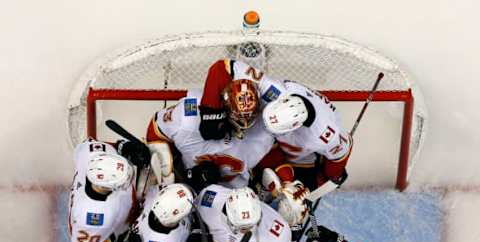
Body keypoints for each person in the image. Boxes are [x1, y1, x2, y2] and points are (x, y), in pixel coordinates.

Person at [145, 88, 275, 190]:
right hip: (187, 184)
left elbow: (273, 157)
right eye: (239, 117)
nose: (245, 123)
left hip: (235, 195)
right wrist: (167, 173)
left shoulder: (266, 125)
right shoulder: (188, 114)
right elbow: (156, 129)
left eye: (250, 116)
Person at [260, 80, 353, 190]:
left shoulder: (325, 135)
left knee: (294, 203)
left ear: (295, 126)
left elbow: (340, 155)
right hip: (279, 149)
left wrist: (332, 175)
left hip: (304, 161)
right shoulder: (278, 91)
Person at [198, 58, 287, 140]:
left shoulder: (270, 89)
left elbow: (289, 98)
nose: (245, 122)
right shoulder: (220, 74)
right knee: (210, 130)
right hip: (225, 73)